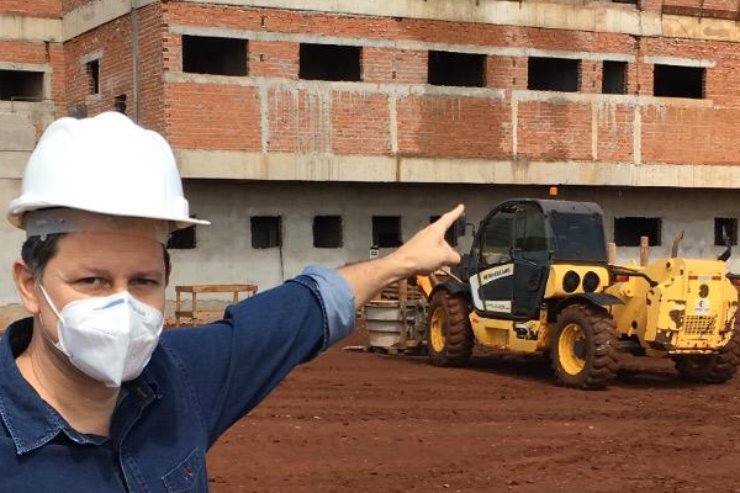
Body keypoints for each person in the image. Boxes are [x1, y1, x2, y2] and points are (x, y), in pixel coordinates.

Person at [0, 112, 463, 492]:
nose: (123, 308)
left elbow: (301, 312)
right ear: (29, 285)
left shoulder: (179, 380)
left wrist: (399, 262)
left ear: (168, 278)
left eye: (143, 281)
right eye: (93, 281)